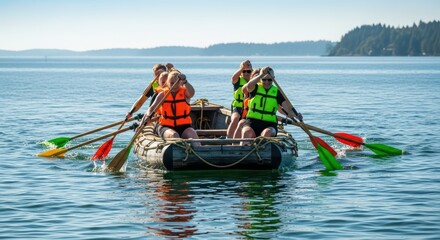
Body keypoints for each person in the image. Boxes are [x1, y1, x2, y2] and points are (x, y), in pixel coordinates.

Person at [241, 66, 303, 140]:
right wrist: (261, 74)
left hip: (269, 124)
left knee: (267, 133)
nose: (267, 82)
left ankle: (262, 150)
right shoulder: (255, 88)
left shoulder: (277, 92)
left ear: (273, 79)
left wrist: (296, 116)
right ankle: (242, 150)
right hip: (252, 122)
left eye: (269, 80)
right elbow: (248, 86)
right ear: (260, 79)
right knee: (246, 132)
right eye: (264, 79)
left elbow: (287, 110)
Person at [142, 71, 200, 146]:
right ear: (167, 83)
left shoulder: (185, 93)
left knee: (192, 134)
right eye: (172, 83)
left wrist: (185, 81)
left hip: (184, 126)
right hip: (165, 126)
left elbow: (192, 93)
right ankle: (179, 155)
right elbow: (152, 108)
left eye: (177, 83)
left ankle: (199, 152)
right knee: (174, 135)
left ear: (180, 83)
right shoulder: (162, 94)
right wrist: (148, 116)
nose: (175, 86)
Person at [227, 60, 253, 139]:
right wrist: (242, 68)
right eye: (244, 71)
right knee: (235, 119)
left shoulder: (255, 81)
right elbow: (233, 77)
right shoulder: (237, 80)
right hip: (238, 107)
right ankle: (228, 140)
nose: (246, 73)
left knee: (244, 124)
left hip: (249, 109)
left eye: (248, 71)